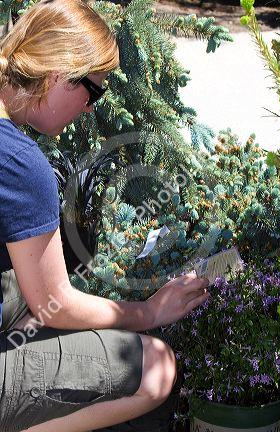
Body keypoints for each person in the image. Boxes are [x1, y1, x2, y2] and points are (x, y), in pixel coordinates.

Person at [0, 0, 210, 431]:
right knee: (156, 367)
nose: (92, 107)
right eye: (92, 90)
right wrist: (148, 312)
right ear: (58, 75)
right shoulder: (21, 164)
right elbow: (54, 305)